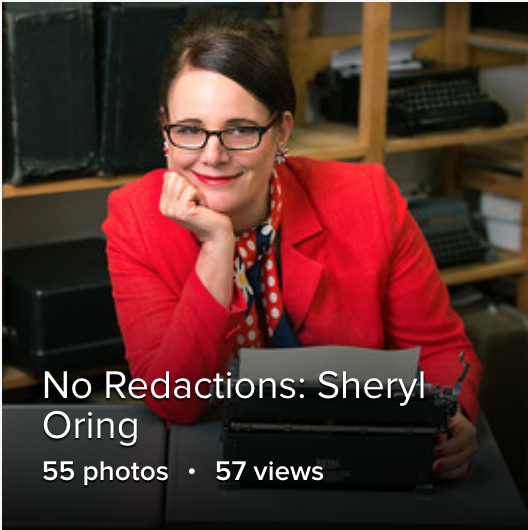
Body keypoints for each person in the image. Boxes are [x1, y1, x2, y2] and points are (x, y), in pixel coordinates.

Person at [103, 9, 481, 481]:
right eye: (190, 129)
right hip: (210, 467)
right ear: (166, 128)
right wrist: (217, 244)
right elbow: (173, 400)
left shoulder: (369, 199)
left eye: (240, 129)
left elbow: (440, 348)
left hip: (357, 460)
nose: (212, 155)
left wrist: (456, 415)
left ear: (281, 131)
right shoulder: (134, 217)